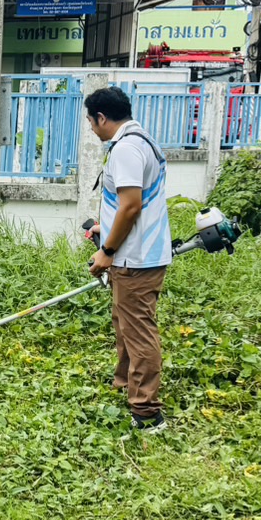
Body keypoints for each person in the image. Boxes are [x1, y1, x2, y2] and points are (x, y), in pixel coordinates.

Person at [84, 86, 172, 431]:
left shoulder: (126, 149)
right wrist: (103, 231)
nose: (92, 129)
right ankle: (125, 383)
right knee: (125, 324)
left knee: (137, 331)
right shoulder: (140, 139)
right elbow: (128, 202)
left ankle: (147, 413)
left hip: (135, 258)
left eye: (91, 123)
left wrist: (107, 252)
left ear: (102, 118)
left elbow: (131, 205)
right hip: (136, 254)